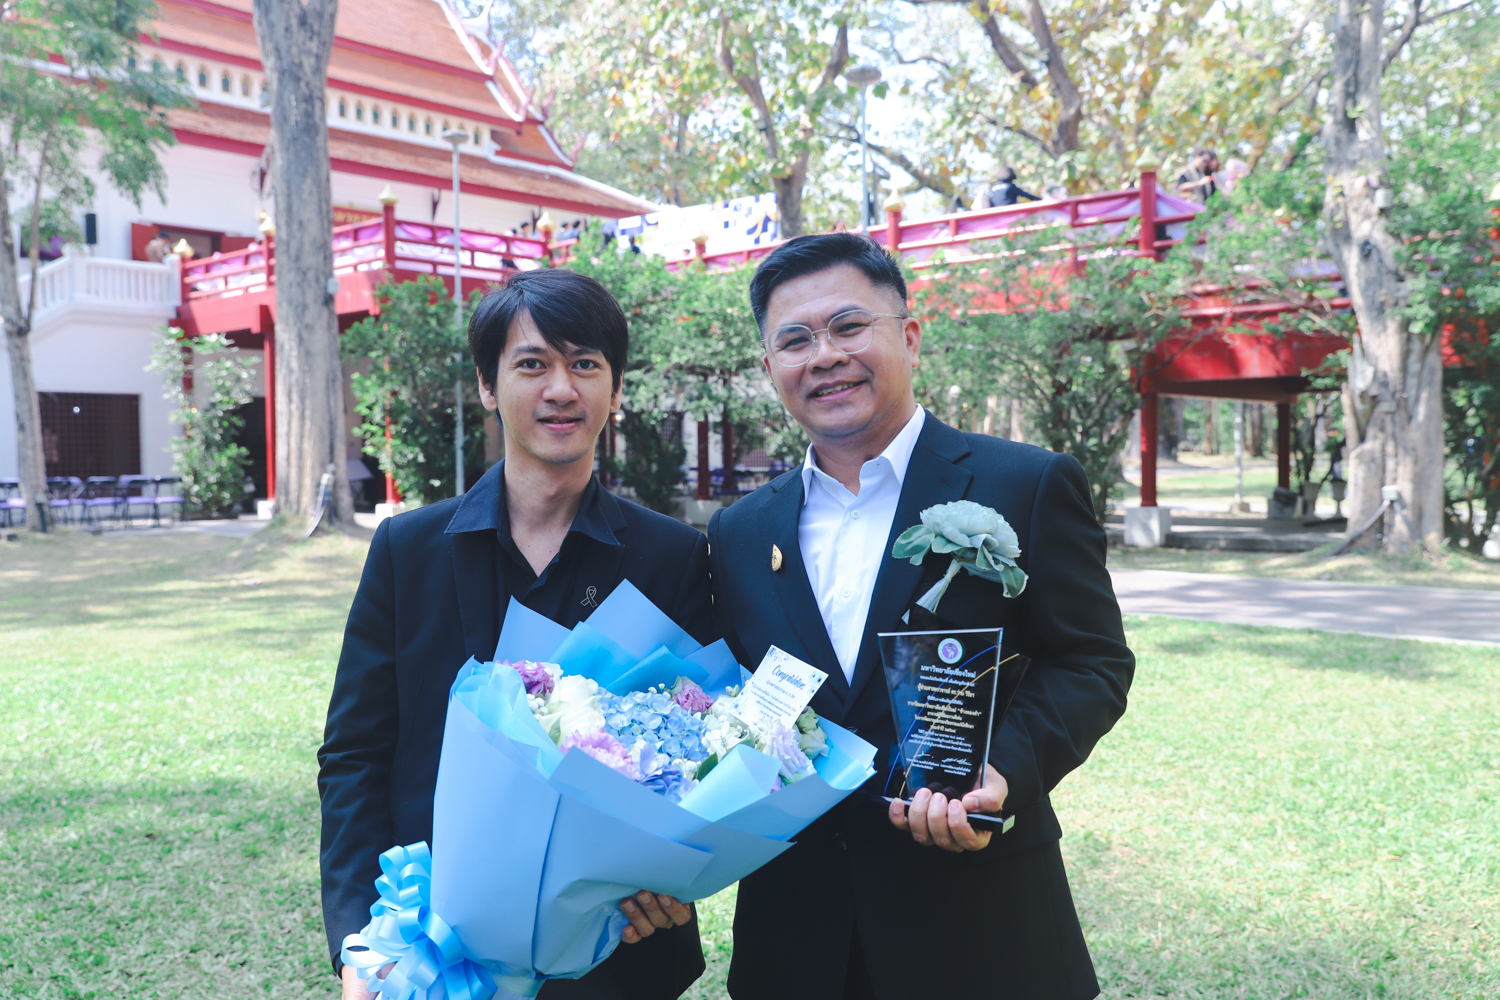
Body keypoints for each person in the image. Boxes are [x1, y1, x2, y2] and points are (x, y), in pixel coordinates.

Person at [707, 233, 1134, 1000]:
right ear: (770, 369)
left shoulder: (1025, 484)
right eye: (795, 341)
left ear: (908, 335)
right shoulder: (738, 534)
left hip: (978, 927)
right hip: (795, 939)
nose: (825, 356)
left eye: (849, 326)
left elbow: (1092, 662)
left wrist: (1003, 768)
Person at [320, 269, 709, 1000]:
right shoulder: (408, 551)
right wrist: (357, 946)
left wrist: (676, 880)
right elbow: (354, 757)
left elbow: (701, 753)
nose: (561, 389)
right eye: (532, 364)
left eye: (585, 364)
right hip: (432, 950)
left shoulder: (674, 557)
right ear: (488, 386)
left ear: (615, 390)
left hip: (616, 951)